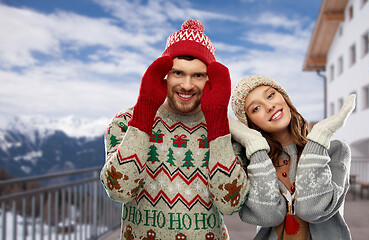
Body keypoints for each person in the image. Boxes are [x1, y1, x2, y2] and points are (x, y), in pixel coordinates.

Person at [100, 19, 249, 240]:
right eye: (178, 73)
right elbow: (119, 190)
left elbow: (230, 204)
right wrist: (144, 114)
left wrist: (218, 124)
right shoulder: (125, 121)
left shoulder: (230, 130)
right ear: (164, 75)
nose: (187, 85)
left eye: (198, 75)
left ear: (209, 79)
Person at [229, 75, 354, 240]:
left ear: (285, 98)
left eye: (271, 95)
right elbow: (268, 216)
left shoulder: (334, 151)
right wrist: (254, 145)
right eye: (256, 108)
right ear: (250, 123)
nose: (269, 106)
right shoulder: (253, 164)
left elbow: (312, 209)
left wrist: (321, 134)